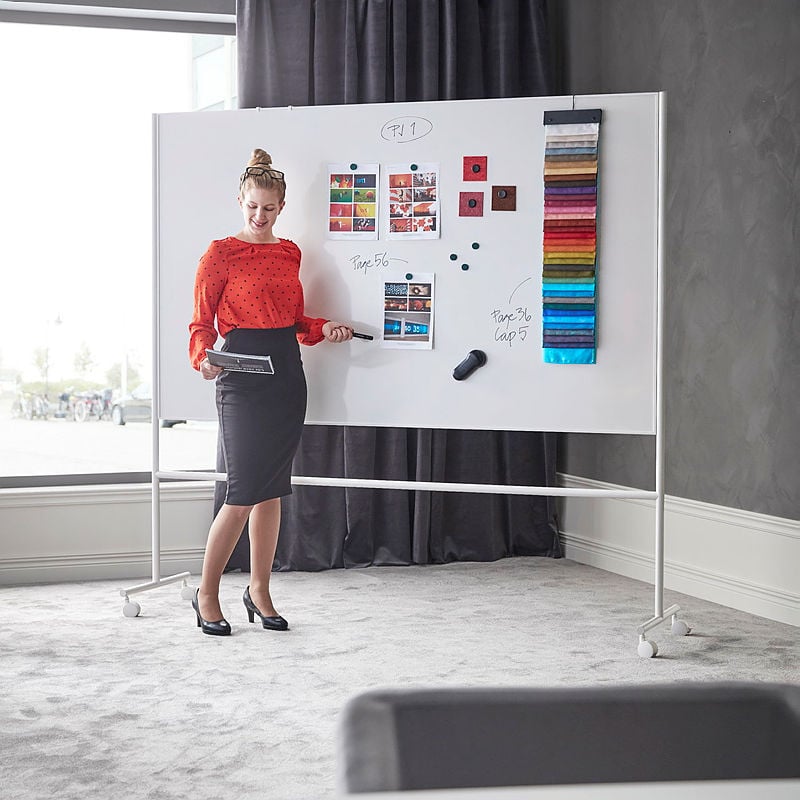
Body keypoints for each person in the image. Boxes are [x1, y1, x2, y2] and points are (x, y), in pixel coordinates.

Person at [188, 148, 353, 636]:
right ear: (240, 202)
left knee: (273, 490)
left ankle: (259, 590)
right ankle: (208, 594)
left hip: (286, 372)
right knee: (241, 493)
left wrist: (324, 329)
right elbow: (200, 322)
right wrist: (202, 359)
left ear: (281, 208)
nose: (260, 217)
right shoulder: (220, 253)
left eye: (270, 209)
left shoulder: (289, 252)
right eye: (252, 207)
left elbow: (295, 322)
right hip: (241, 374)